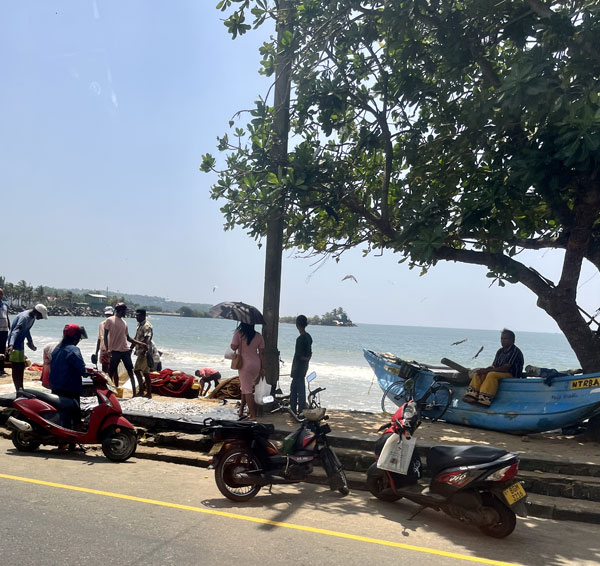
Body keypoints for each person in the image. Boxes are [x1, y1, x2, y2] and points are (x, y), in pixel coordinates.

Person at [463, 328, 524, 407]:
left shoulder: (515, 351)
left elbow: (505, 368)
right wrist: (485, 370)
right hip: (500, 372)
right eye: (501, 338)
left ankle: (485, 399)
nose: (502, 341)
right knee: (479, 373)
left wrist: (488, 371)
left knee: (491, 375)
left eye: (505, 339)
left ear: (512, 340)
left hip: (511, 374)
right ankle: (471, 396)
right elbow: (494, 366)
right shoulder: (500, 351)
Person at [49, 324, 88, 432]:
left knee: (61, 414)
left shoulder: (57, 349)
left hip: (55, 387)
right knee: (75, 415)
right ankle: (75, 434)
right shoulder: (73, 350)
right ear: (75, 337)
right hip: (70, 389)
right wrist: (86, 373)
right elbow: (82, 369)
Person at [104, 303, 146, 396]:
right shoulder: (109, 320)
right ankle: (108, 392)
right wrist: (107, 349)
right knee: (111, 372)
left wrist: (140, 343)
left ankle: (134, 393)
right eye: (125, 311)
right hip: (115, 351)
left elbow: (128, 338)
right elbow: (105, 335)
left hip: (125, 351)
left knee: (130, 372)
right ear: (121, 311)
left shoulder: (124, 322)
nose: (126, 313)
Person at [6, 304, 48, 391]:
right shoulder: (24, 317)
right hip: (14, 344)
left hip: (20, 343)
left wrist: (30, 342)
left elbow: (27, 330)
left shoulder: (32, 318)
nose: (40, 318)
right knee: (16, 367)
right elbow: (15, 331)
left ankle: (20, 387)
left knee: (21, 366)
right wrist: (11, 345)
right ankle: (18, 389)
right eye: (41, 316)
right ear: (37, 312)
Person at [231, 322, 265, 420]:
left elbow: (233, 347)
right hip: (256, 364)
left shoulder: (239, 334)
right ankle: (241, 410)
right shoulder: (258, 336)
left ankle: (253, 415)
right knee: (245, 387)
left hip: (244, 364)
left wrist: (236, 335)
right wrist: (263, 368)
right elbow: (262, 353)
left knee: (247, 390)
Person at [289, 314, 313, 415]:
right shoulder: (308, 337)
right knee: (300, 389)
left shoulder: (300, 339)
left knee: (295, 391)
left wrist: (304, 359)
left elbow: (299, 356)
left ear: (297, 325)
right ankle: (299, 410)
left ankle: (295, 411)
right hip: (304, 367)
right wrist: (307, 359)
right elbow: (310, 352)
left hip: (297, 368)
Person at [133, 308, 153, 398]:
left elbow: (148, 338)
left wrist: (145, 349)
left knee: (140, 371)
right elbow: (136, 338)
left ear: (144, 316)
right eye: (136, 315)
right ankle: (144, 391)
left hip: (144, 352)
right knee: (142, 372)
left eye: (138, 315)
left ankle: (146, 392)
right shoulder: (139, 325)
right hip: (140, 351)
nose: (136, 317)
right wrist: (131, 348)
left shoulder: (146, 326)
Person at [94, 306, 114, 372]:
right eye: (107, 315)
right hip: (103, 350)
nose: (108, 316)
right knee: (104, 370)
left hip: (112, 350)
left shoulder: (115, 324)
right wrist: (96, 352)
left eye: (110, 315)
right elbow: (99, 339)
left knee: (112, 369)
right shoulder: (101, 324)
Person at [0, 288, 10, 376]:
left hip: (4, 330)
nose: (0, 295)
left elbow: (7, 316)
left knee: (2, 350)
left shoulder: (5, 304)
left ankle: (1, 369)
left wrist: (10, 327)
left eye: (1, 294)